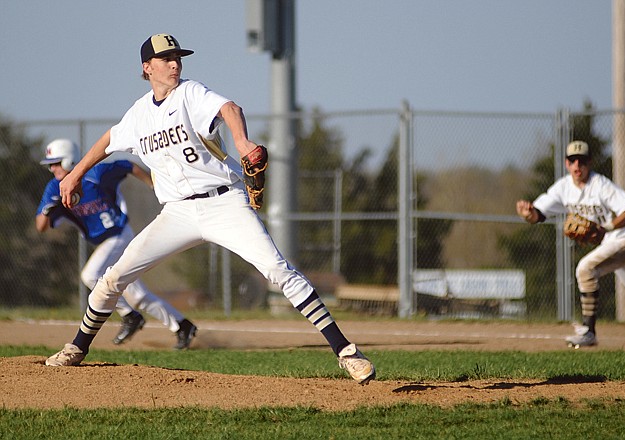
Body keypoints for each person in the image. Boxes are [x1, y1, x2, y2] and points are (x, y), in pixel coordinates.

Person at [45, 34, 375, 384]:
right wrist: (75, 175)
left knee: (278, 271)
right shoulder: (139, 114)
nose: (175, 63)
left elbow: (230, 109)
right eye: (166, 58)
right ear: (147, 68)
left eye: (178, 57)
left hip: (224, 202)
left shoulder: (190, 93)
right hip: (176, 213)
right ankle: (77, 347)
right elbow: (110, 139)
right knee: (112, 278)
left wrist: (243, 142)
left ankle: (347, 352)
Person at [37, 138, 197, 350]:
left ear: (69, 160)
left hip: (119, 234)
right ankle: (182, 325)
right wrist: (49, 209)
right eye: (51, 164)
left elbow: (128, 165)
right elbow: (41, 226)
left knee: (90, 275)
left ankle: (129, 315)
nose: (52, 168)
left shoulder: (95, 174)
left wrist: (153, 186)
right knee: (138, 295)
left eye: (56, 162)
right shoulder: (54, 188)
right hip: (103, 243)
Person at [516, 140, 625, 347]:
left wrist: (606, 227)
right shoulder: (563, 187)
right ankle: (589, 331)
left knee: (585, 269)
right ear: (566, 164)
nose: (577, 166)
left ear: (590, 162)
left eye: (582, 161)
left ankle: (589, 331)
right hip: (613, 246)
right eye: (572, 161)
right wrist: (528, 214)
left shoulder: (601, 185)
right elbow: (539, 214)